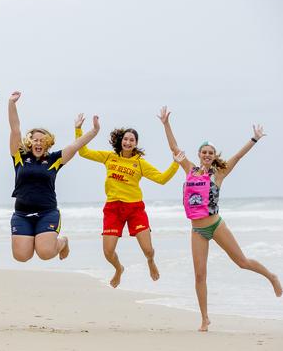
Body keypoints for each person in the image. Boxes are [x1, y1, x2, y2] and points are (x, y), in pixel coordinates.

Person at [158, 106, 281, 331]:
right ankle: (204, 318)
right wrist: (166, 124)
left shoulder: (219, 174)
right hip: (197, 230)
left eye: (210, 153)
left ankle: (271, 276)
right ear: (199, 154)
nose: (206, 155)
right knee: (199, 275)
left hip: (215, 225)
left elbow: (238, 156)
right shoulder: (189, 169)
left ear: (214, 157)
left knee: (242, 262)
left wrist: (254, 138)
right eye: (204, 152)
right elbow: (174, 148)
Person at [75, 116, 178, 287]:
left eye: (132, 140)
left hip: (135, 209)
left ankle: (151, 261)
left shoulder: (140, 163)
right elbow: (83, 151)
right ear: (121, 141)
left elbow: (162, 179)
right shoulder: (109, 157)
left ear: (136, 143)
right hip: (113, 208)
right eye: (126, 139)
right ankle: (118, 269)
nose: (128, 142)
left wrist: (175, 163)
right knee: (108, 252)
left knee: (148, 250)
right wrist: (78, 129)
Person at [8, 91, 100, 262]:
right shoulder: (19, 156)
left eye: (42, 140)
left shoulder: (54, 159)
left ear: (48, 142)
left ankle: (63, 242)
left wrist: (94, 131)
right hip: (22, 214)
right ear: (29, 142)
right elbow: (15, 129)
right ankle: (36, 240)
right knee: (21, 256)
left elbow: (76, 145)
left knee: (45, 253)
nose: (38, 142)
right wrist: (11, 104)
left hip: (47, 212)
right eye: (35, 140)